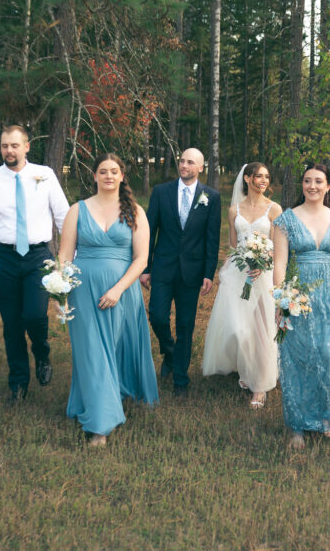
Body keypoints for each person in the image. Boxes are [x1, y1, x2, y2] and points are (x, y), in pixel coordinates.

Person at [58, 153, 158, 446]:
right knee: (91, 351)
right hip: (82, 291)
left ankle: (105, 396)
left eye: (114, 171)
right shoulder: (77, 210)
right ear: (95, 176)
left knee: (113, 348)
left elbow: (141, 260)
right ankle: (100, 425)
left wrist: (118, 289)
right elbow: (65, 254)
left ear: (122, 175)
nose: (109, 176)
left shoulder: (136, 211)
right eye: (103, 171)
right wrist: (60, 288)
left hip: (122, 292)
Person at [0, 125, 70, 403]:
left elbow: (63, 217)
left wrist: (66, 257)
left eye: (14, 145)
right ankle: (18, 383)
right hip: (5, 258)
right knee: (12, 323)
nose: (9, 151)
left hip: (39, 256)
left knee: (35, 315)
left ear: (26, 147)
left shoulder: (45, 175)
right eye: (4, 146)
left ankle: (42, 353)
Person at [272, 163, 330, 448]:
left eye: (318, 181)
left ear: (328, 186)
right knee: (300, 359)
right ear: (302, 185)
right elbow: (281, 263)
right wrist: (282, 300)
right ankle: (298, 424)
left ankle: (328, 416)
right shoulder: (286, 220)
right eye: (307, 181)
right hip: (299, 298)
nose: (312, 186)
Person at [140, 148, 222, 397]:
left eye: (190, 162)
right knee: (157, 316)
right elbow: (149, 230)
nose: (184, 165)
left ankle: (181, 379)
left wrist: (209, 273)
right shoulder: (161, 192)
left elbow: (212, 238)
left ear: (200, 168)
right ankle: (169, 349)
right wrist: (145, 267)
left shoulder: (212, 197)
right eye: (182, 160)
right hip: (163, 267)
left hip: (192, 271)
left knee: (186, 324)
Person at [202, 162, 282, 408]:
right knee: (238, 329)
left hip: (263, 275)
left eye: (267, 177)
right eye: (259, 176)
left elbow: (279, 247)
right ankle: (246, 369)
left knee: (262, 330)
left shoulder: (274, 209)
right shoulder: (234, 209)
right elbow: (233, 245)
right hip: (238, 274)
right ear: (247, 178)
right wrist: (224, 270)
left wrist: (264, 261)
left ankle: (260, 385)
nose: (263, 181)